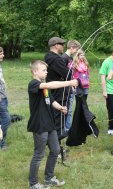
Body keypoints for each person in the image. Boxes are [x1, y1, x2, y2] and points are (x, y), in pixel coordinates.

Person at [27, 60, 78, 189]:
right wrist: (69, 82)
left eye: (46, 70)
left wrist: (60, 107)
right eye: (43, 70)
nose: (46, 72)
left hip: (49, 123)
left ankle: (48, 178)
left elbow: (51, 100)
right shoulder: (34, 84)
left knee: (55, 150)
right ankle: (33, 183)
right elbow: (50, 86)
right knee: (39, 154)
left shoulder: (44, 87)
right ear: (34, 71)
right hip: (39, 124)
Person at [44, 37, 71, 139]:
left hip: (52, 91)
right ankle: (57, 148)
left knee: (54, 118)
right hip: (59, 93)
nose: (63, 46)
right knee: (59, 120)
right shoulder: (56, 59)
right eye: (62, 44)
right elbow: (68, 74)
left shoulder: (48, 57)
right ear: (56, 45)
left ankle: (53, 143)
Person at [61, 40, 81, 132]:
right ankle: (65, 129)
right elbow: (63, 75)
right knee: (66, 110)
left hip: (70, 87)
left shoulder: (70, 58)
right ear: (72, 48)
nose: (77, 51)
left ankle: (68, 128)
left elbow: (70, 74)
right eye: (76, 49)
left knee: (69, 110)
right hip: (65, 89)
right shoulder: (63, 58)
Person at [0, 47, 11, 151]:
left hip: (3, 97)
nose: (3, 55)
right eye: (1, 54)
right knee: (6, 119)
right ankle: (1, 143)